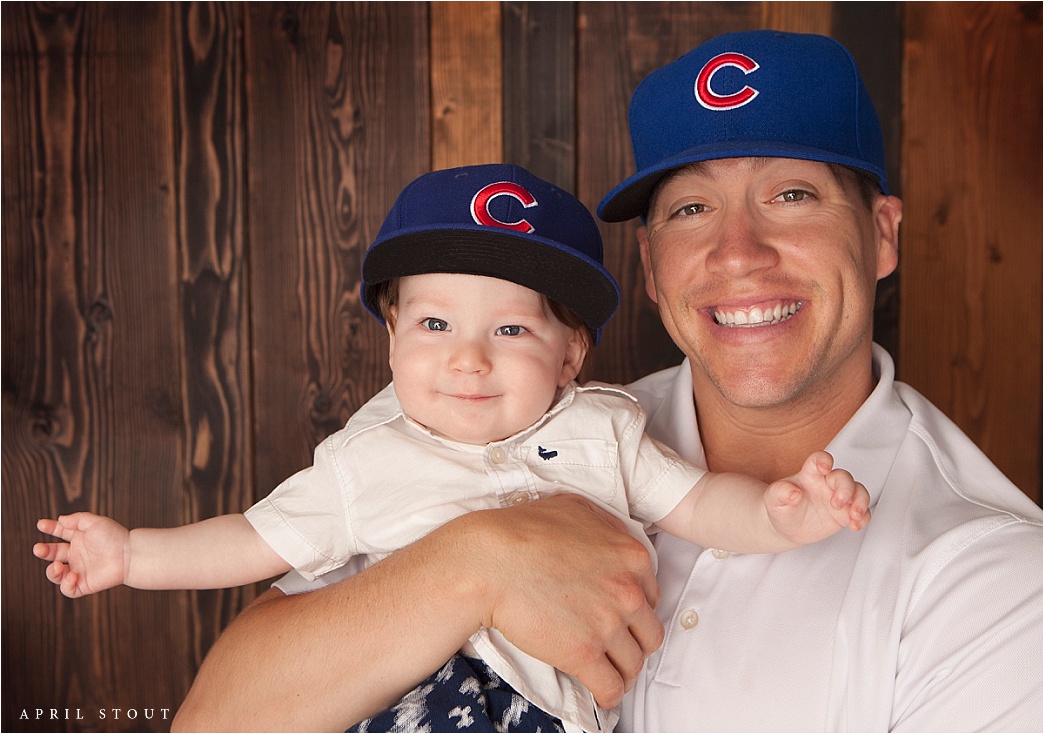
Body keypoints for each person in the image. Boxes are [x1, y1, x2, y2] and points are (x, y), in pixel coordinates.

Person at [172, 30, 1043, 733]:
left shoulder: (1007, 590)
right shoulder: (489, 406)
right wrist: (473, 565)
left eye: (792, 195)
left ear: (883, 234)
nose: (739, 253)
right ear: (652, 268)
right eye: (694, 206)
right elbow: (212, 720)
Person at [36, 163, 871, 733]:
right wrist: (132, 555)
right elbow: (253, 541)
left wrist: (779, 512)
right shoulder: (367, 463)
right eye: (435, 325)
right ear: (392, 334)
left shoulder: (603, 431)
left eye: (510, 329)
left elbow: (698, 503)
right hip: (408, 699)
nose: (468, 359)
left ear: (570, 356)